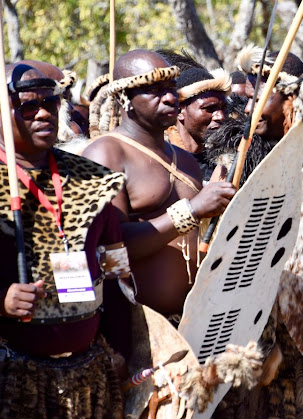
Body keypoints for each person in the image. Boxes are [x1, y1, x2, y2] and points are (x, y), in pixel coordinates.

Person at [0, 64, 129, 417]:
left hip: (90, 374)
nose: (43, 112)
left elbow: (116, 272)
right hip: (11, 377)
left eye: (50, 103)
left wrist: (122, 350)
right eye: (28, 106)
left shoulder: (93, 179)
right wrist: (1, 301)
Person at [82, 50, 235, 319]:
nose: (168, 97)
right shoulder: (106, 153)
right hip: (142, 328)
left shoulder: (187, 162)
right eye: (153, 90)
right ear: (123, 98)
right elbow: (106, 250)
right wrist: (191, 211)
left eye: (170, 88)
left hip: (195, 321)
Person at [165, 67, 230, 182]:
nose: (220, 116)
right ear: (179, 112)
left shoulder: (225, 162)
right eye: (209, 108)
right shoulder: (162, 159)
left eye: (224, 109)